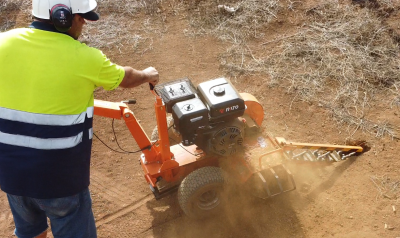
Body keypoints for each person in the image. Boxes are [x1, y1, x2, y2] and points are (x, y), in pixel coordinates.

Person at [0, 0, 159, 237]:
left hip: (12, 175)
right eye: (81, 17)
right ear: (61, 17)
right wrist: (148, 74)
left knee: (29, 232)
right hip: (60, 180)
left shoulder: (4, 42)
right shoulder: (85, 57)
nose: (84, 22)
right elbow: (125, 78)